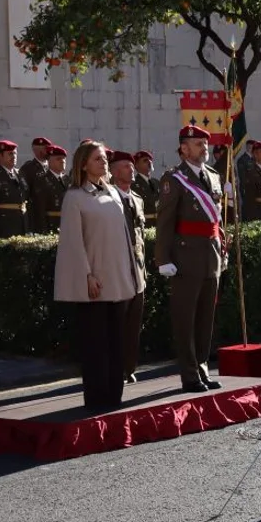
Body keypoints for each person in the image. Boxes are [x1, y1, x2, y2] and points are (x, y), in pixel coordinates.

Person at [56, 140, 145, 410]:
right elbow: (73, 242)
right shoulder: (74, 196)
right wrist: (86, 275)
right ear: (83, 164)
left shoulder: (114, 193)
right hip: (95, 280)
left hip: (118, 278)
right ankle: (96, 399)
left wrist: (133, 273)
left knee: (117, 341)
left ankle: (113, 397)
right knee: (96, 344)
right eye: (97, 159)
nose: (104, 163)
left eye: (105, 158)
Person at [156, 125, 227, 393]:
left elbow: (216, 220)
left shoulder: (213, 175)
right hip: (185, 257)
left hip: (211, 256)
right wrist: (163, 258)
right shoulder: (173, 179)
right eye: (197, 144)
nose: (203, 149)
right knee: (185, 319)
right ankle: (189, 374)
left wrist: (222, 249)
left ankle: (203, 368)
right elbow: (165, 222)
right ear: (183, 148)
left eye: (205, 144)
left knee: (205, 319)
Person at [109, 150, 149, 381]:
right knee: (116, 322)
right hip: (117, 268)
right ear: (113, 172)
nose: (131, 170)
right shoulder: (108, 198)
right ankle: (114, 367)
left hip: (137, 269)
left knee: (134, 324)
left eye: (132, 166)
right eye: (125, 166)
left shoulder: (137, 199)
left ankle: (129, 368)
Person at [27, 144, 70, 235]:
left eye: (64, 158)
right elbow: (39, 209)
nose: (62, 161)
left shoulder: (68, 180)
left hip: (67, 226)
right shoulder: (41, 180)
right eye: (58, 159)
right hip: (51, 226)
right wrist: (43, 232)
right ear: (49, 161)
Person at [132, 150, 161, 226]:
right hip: (145, 224)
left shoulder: (157, 182)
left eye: (150, 160)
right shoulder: (133, 184)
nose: (149, 162)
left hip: (159, 224)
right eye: (145, 160)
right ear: (136, 165)